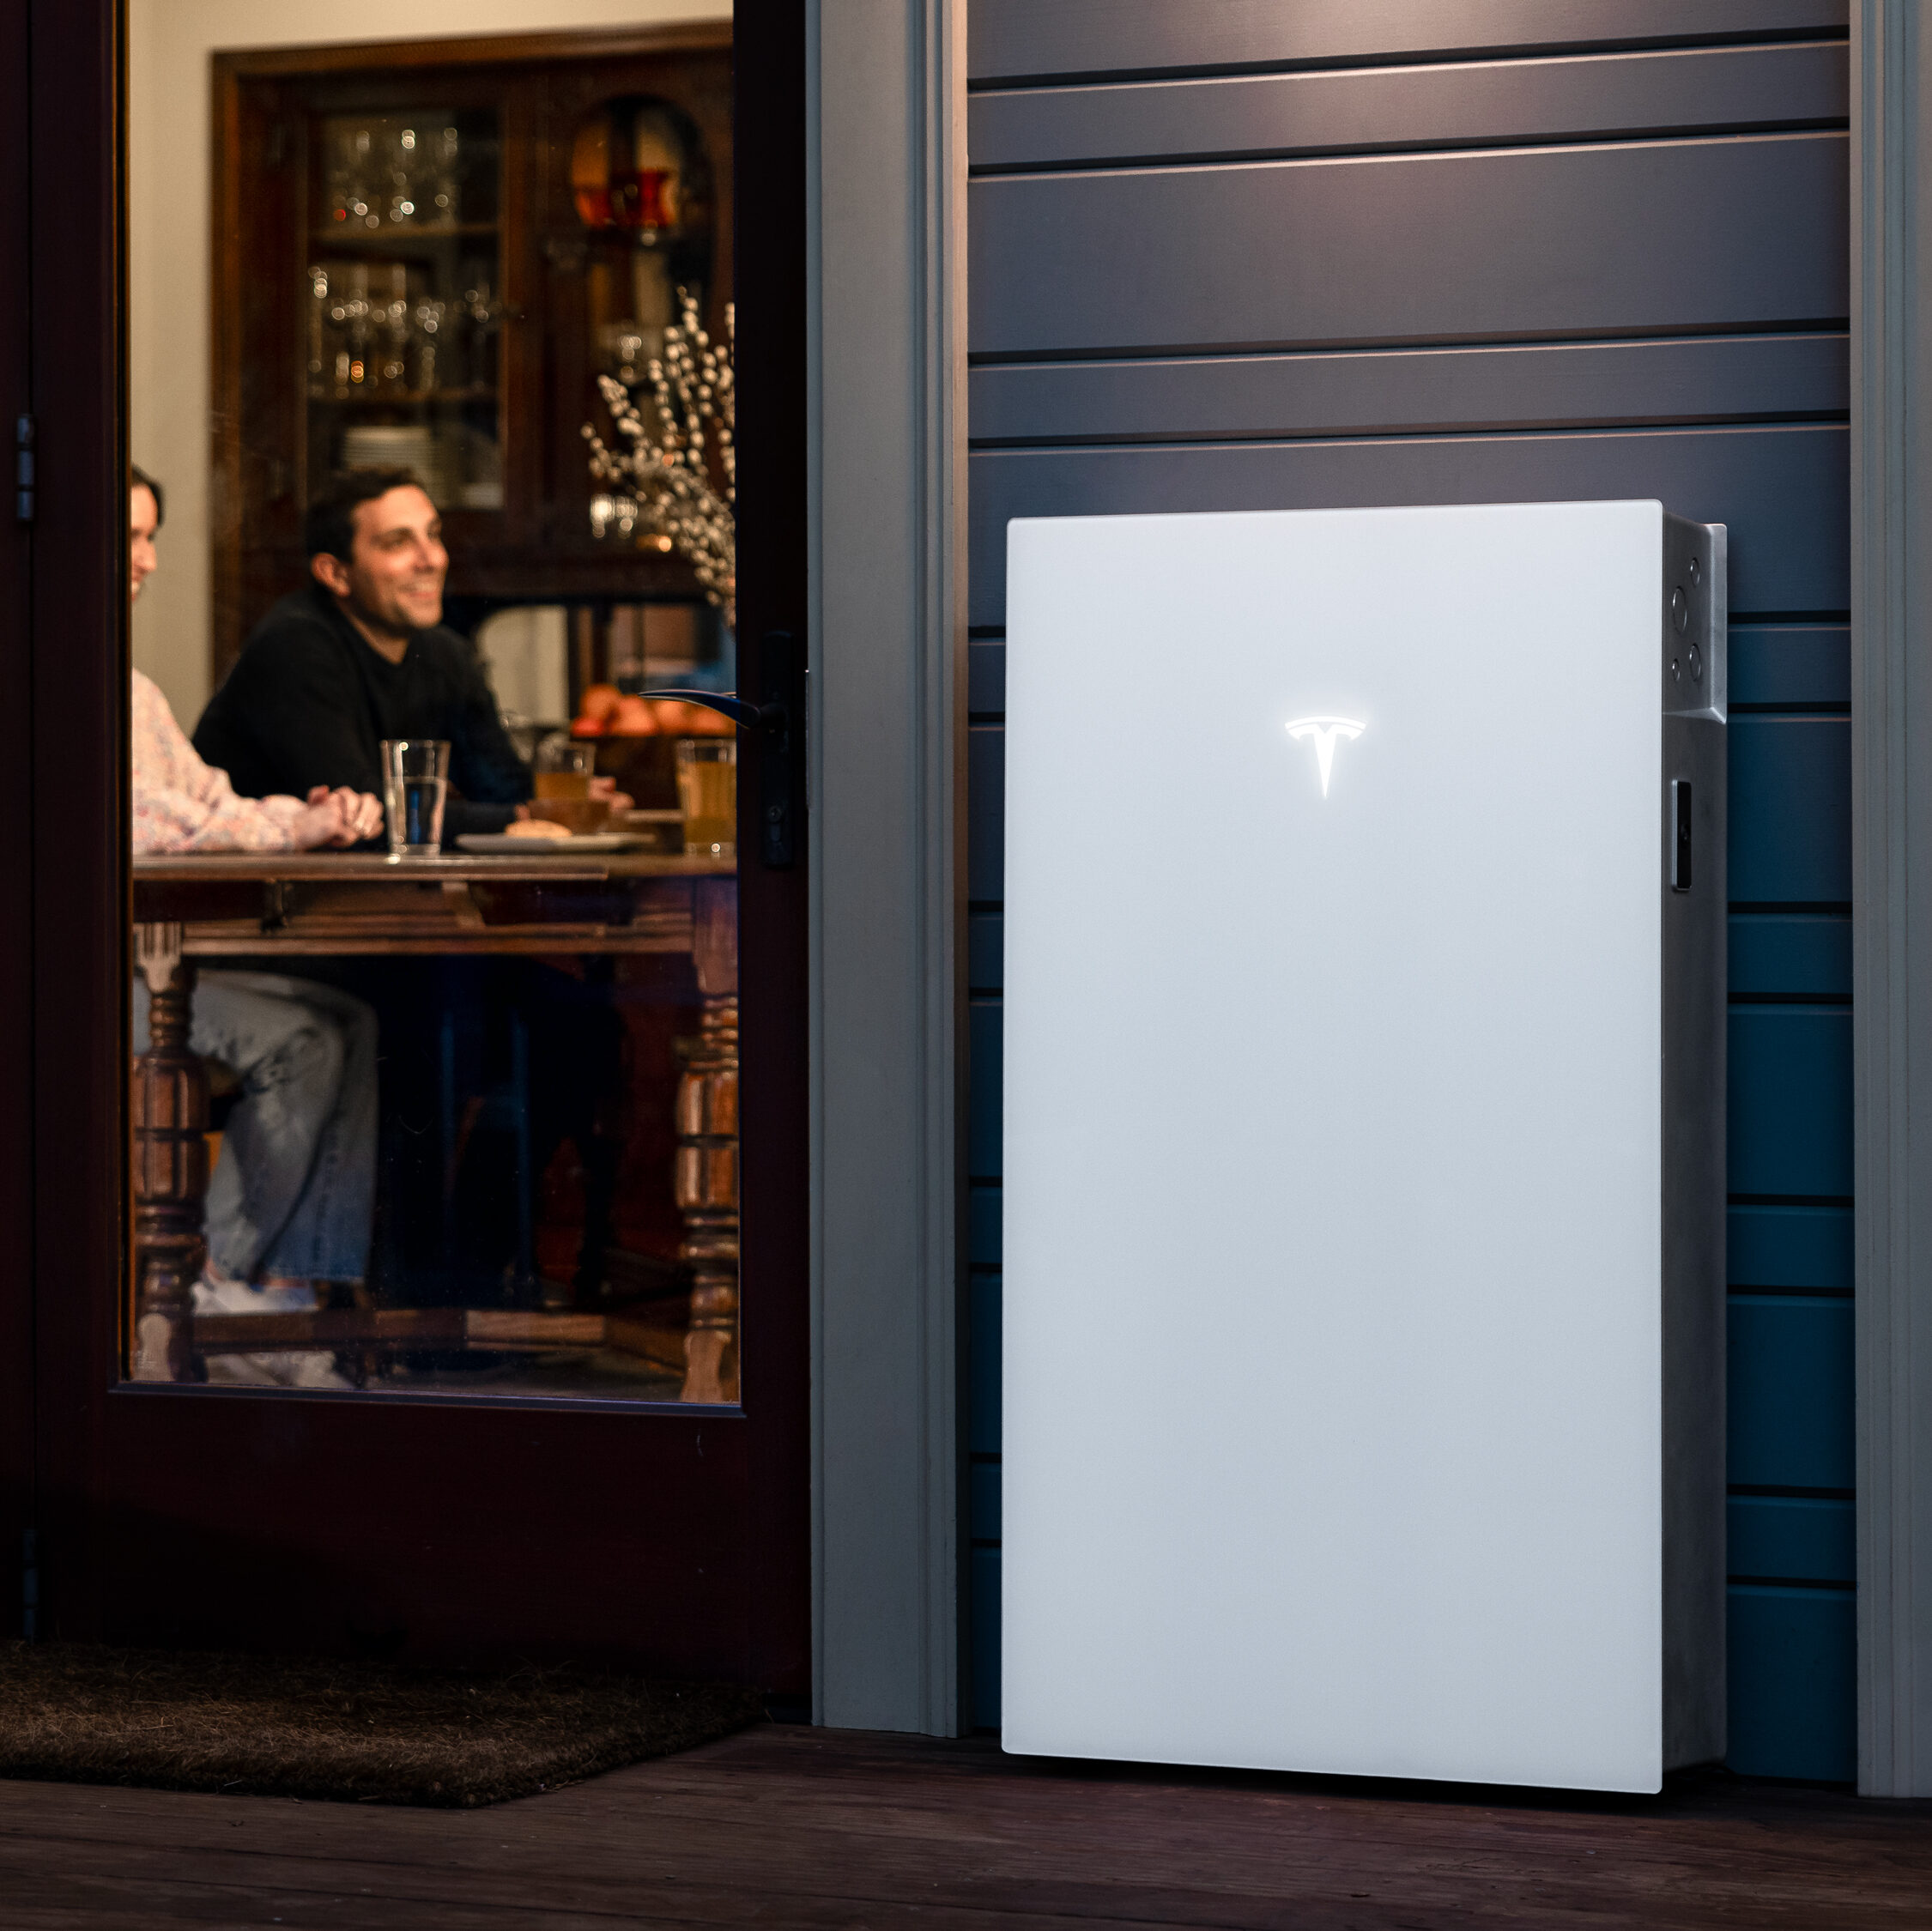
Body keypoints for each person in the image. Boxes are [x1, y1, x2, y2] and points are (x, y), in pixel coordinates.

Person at [130, 466, 385, 1387]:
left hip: (157, 966)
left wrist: (295, 815)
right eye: (129, 538)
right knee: (304, 1042)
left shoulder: (135, 693)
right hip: (88, 969)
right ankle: (218, 1274)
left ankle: (285, 1293)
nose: (147, 561)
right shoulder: (63, 681)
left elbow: (210, 801)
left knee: (351, 1019)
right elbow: (149, 826)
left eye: (151, 536)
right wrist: (294, 826)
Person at [194, 467, 631, 835]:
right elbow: (366, 815)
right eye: (398, 542)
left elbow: (500, 787)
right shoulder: (292, 649)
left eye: (433, 535)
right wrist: (527, 815)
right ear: (335, 573)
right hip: (257, 909)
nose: (431, 559)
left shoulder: (445, 654)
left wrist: (568, 800)